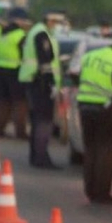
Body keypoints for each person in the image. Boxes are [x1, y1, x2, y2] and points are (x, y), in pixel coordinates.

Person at [75, 37, 112, 204]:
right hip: (105, 107)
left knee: (90, 150)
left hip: (84, 104)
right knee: (105, 151)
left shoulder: (91, 55)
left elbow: (75, 73)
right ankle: (102, 193)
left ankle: (90, 190)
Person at [20, 9, 67, 167]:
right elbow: (45, 61)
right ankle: (41, 158)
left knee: (37, 120)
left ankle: (36, 156)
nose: (57, 26)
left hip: (33, 80)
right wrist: (51, 83)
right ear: (50, 21)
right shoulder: (42, 34)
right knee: (44, 121)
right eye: (57, 23)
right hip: (40, 82)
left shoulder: (35, 31)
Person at [0, 8, 33, 140]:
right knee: (20, 102)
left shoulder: (2, 34)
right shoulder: (20, 35)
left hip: (0, 70)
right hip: (16, 70)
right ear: (20, 21)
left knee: (4, 101)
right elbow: (26, 55)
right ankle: (21, 132)